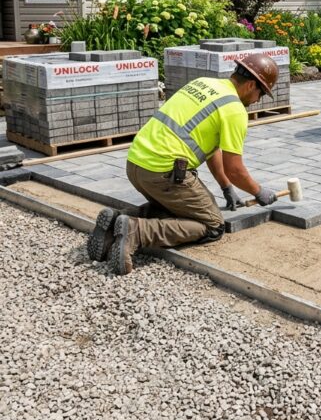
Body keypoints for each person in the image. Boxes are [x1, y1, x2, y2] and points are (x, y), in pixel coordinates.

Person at [87, 54, 281, 275]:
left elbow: (211, 148)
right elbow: (235, 169)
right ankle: (135, 231)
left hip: (136, 164)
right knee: (212, 225)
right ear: (250, 85)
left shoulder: (204, 83)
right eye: (261, 93)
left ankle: (115, 222)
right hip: (164, 173)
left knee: (178, 208)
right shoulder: (234, 109)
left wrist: (226, 187)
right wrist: (259, 191)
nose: (258, 100)